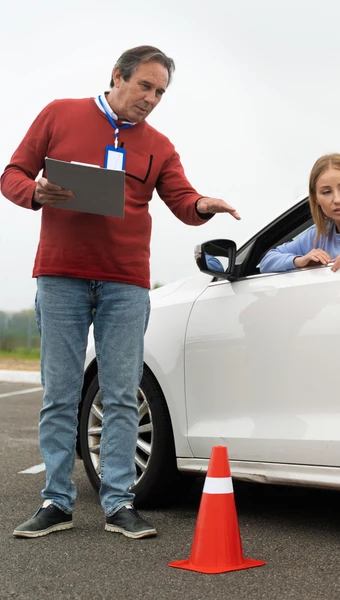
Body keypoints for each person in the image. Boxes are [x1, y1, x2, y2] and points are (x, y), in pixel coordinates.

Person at [1, 45, 240, 539]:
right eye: (145, 86)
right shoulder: (59, 114)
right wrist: (35, 192)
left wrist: (203, 204)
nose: (151, 98)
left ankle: (118, 502)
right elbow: (12, 175)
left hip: (125, 283)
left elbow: (182, 199)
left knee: (122, 395)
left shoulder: (159, 145)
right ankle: (56, 501)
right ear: (117, 76)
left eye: (160, 92)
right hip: (61, 276)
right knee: (61, 393)